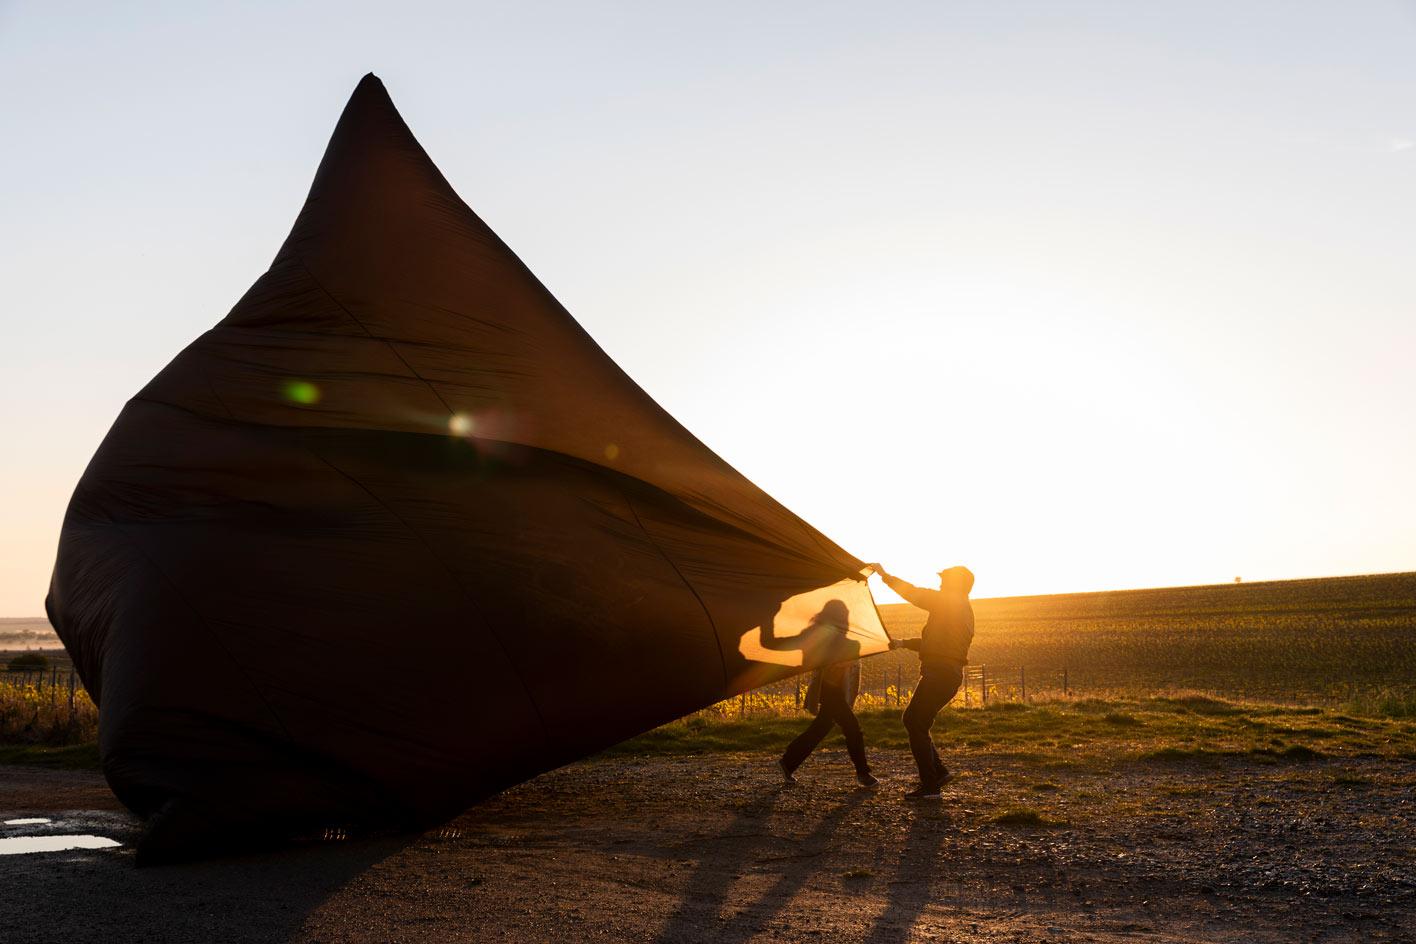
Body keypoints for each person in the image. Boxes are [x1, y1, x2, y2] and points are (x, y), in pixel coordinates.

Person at [870, 563, 975, 798]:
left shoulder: (948, 602)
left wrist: (885, 576)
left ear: (954, 584)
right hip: (946, 674)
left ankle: (931, 784)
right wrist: (902, 643)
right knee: (917, 722)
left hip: (940, 673)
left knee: (914, 721)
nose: (940, 584)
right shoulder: (961, 610)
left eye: (944, 580)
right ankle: (938, 774)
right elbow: (937, 644)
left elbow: (913, 593)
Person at [761, 599, 878, 787]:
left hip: (831, 692)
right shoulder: (830, 639)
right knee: (852, 729)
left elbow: (771, 643)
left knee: (820, 729)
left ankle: (788, 762)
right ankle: (863, 774)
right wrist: (767, 618)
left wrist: (767, 620)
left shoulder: (817, 637)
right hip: (830, 692)